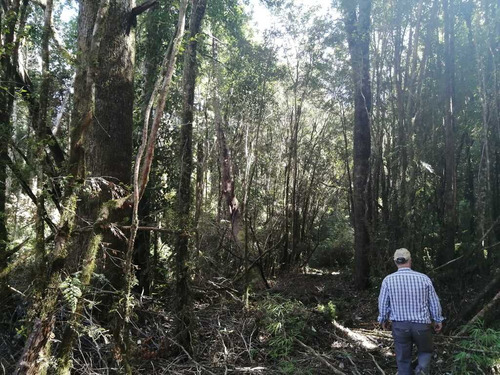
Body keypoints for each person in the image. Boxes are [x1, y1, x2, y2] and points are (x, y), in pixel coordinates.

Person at [377, 248, 444, 375]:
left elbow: (383, 303)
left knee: (403, 359)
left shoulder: (388, 280)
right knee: (425, 352)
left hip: (400, 326)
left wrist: (383, 319)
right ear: (410, 260)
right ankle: (421, 372)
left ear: (395, 261)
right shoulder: (424, 278)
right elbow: (434, 302)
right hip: (422, 326)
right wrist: (437, 320)